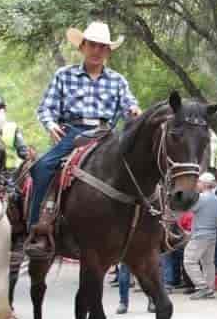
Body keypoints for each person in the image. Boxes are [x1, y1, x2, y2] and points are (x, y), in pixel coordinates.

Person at [24, 21, 141, 259]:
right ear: (83, 47)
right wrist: (51, 124)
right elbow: (45, 108)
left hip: (106, 135)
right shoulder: (64, 75)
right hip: (72, 133)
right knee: (42, 167)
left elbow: (130, 104)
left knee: (138, 168)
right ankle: (38, 228)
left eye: (102, 46)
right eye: (92, 45)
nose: (97, 50)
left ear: (108, 51)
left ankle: (154, 227)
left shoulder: (118, 80)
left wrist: (135, 111)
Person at [182, 173, 217, 299]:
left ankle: (202, 287)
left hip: (200, 235)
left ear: (204, 184)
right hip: (211, 234)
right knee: (208, 263)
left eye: (198, 182)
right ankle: (209, 289)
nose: (196, 184)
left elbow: (188, 208)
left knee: (189, 260)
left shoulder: (201, 198)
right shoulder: (216, 198)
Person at [0, 96, 31, 162]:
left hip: (9, 170)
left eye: (1, 108)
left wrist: (29, 157)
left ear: (5, 109)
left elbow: (23, 150)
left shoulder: (12, 128)